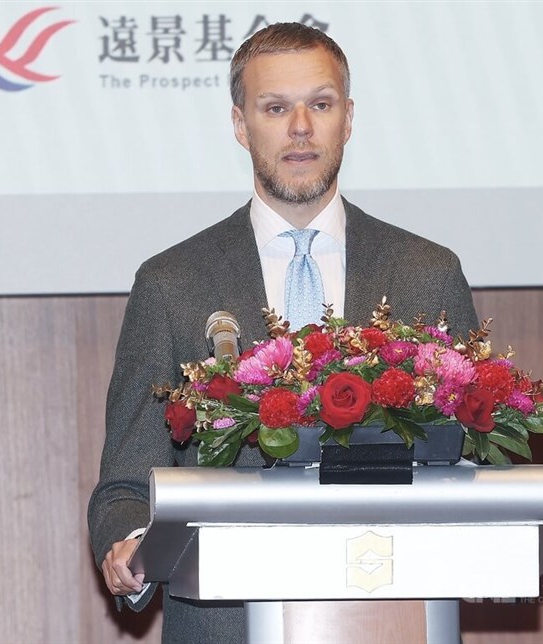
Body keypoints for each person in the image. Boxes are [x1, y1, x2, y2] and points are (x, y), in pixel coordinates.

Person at [88, 22, 478, 644]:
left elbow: (474, 457)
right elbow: (128, 482)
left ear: (347, 118)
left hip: (394, 611)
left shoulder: (426, 274)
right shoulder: (172, 283)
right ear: (242, 125)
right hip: (224, 624)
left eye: (320, 105)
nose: (301, 127)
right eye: (276, 108)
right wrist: (133, 544)